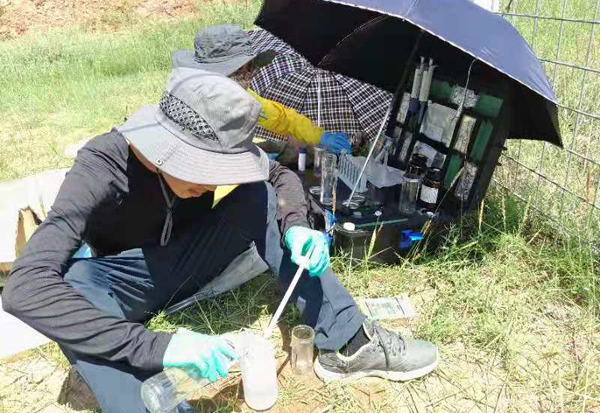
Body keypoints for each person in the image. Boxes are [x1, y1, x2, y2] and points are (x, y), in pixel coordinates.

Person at [3, 68, 438, 413]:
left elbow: (278, 175)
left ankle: (348, 342)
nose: (212, 183)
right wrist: (158, 347)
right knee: (74, 284)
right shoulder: (100, 165)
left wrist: (295, 224)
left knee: (258, 195)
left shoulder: (216, 140)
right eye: (204, 168)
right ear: (166, 147)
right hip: (128, 282)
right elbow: (24, 287)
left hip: (192, 260)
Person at [171, 24, 351, 154]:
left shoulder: (242, 96)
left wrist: (320, 136)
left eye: (251, 67)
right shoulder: (190, 104)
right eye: (239, 70)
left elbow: (280, 118)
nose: (248, 77)